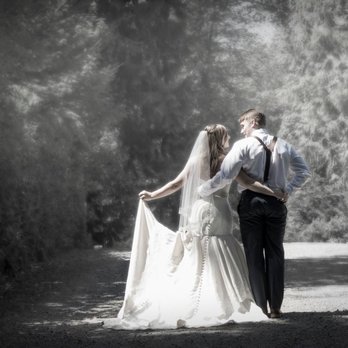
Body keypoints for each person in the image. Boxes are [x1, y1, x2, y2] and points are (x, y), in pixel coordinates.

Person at [104, 124, 283, 330]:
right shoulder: (229, 161)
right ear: (219, 139)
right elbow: (250, 183)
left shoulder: (196, 162)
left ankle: (191, 298)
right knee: (221, 244)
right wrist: (273, 192)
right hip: (219, 210)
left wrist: (152, 195)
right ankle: (222, 298)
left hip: (199, 210)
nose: (229, 138)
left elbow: (174, 184)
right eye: (226, 136)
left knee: (198, 251)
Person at [198, 110, 311, 319]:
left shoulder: (242, 146)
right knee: (276, 253)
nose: (241, 130)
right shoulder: (285, 145)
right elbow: (304, 172)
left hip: (251, 202)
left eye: (243, 125)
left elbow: (226, 175)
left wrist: (203, 190)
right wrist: (288, 190)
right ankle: (276, 308)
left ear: (254, 121)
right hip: (277, 203)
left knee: (254, 254)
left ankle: (261, 308)